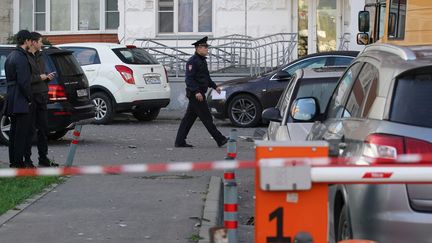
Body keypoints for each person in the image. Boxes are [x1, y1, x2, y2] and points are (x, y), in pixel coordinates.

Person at [175, 36, 228, 148]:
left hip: (198, 94)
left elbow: (206, 77)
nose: (207, 49)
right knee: (207, 118)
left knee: (188, 120)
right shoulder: (192, 61)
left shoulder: (202, 61)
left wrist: (215, 87)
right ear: (198, 48)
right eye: (205, 47)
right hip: (196, 95)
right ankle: (220, 139)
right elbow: (189, 79)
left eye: (207, 47)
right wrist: (196, 92)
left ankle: (179, 141)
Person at [25, 32, 58, 167]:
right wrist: (41, 78)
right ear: (32, 42)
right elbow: (26, 79)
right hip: (31, 97)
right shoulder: (25, 57)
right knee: (30, 131)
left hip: (42, 96)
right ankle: (27, 161)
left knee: (43, 130)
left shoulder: (40, 56)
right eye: (40, 41)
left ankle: (43, 159)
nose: (42, 43)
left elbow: (40, 76)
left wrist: (47, 79)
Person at [4, 30, 33, 168]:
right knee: (21, 134)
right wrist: (29, 97)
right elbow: (24, 82)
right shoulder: (21, 57)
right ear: (26, 41)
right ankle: (18, 163)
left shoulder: (10, 56)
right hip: (20, 99)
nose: (31, 43)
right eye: (30, 41)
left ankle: (13, 162)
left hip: (12, 97)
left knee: (14, 133)